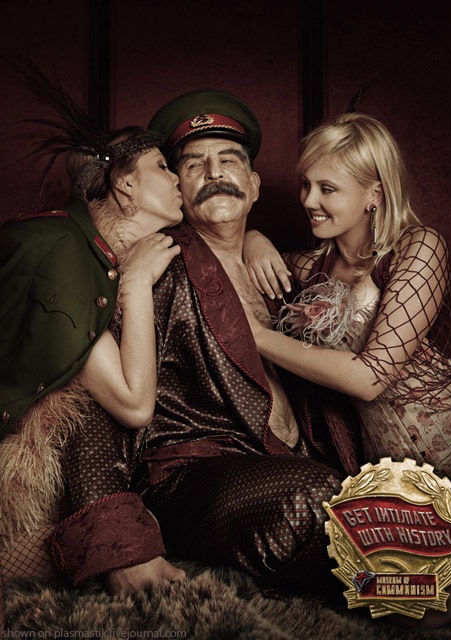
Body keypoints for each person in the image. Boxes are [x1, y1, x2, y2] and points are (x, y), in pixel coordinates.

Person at [50, 89, 363, 599]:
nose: (214, 172)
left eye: (230, 159)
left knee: (407, 504)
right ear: (177, 186)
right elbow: (90, 402)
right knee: (321, 501)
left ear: (254, 185)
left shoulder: (286, 275)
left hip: (289, 459)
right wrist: (120, 547)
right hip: (193, 476)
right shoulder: (153, 267)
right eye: (194, 164)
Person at [242, 111, 451, 609]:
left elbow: (370, 378)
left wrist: (259, 337)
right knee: (420, 610)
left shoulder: (420, 248)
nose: (308, 200)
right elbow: (242, 258)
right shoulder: (310, 267)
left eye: (327, 188)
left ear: (374, 193)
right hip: (405, 483)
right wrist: (251, 237)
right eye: (306, 184)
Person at [0, 67, 187, 630]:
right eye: (163, 167)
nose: (178, 177)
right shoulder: (64, 248)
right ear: (125, 186)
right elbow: (133, 403)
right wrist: (135, 284)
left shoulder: (92, 250)